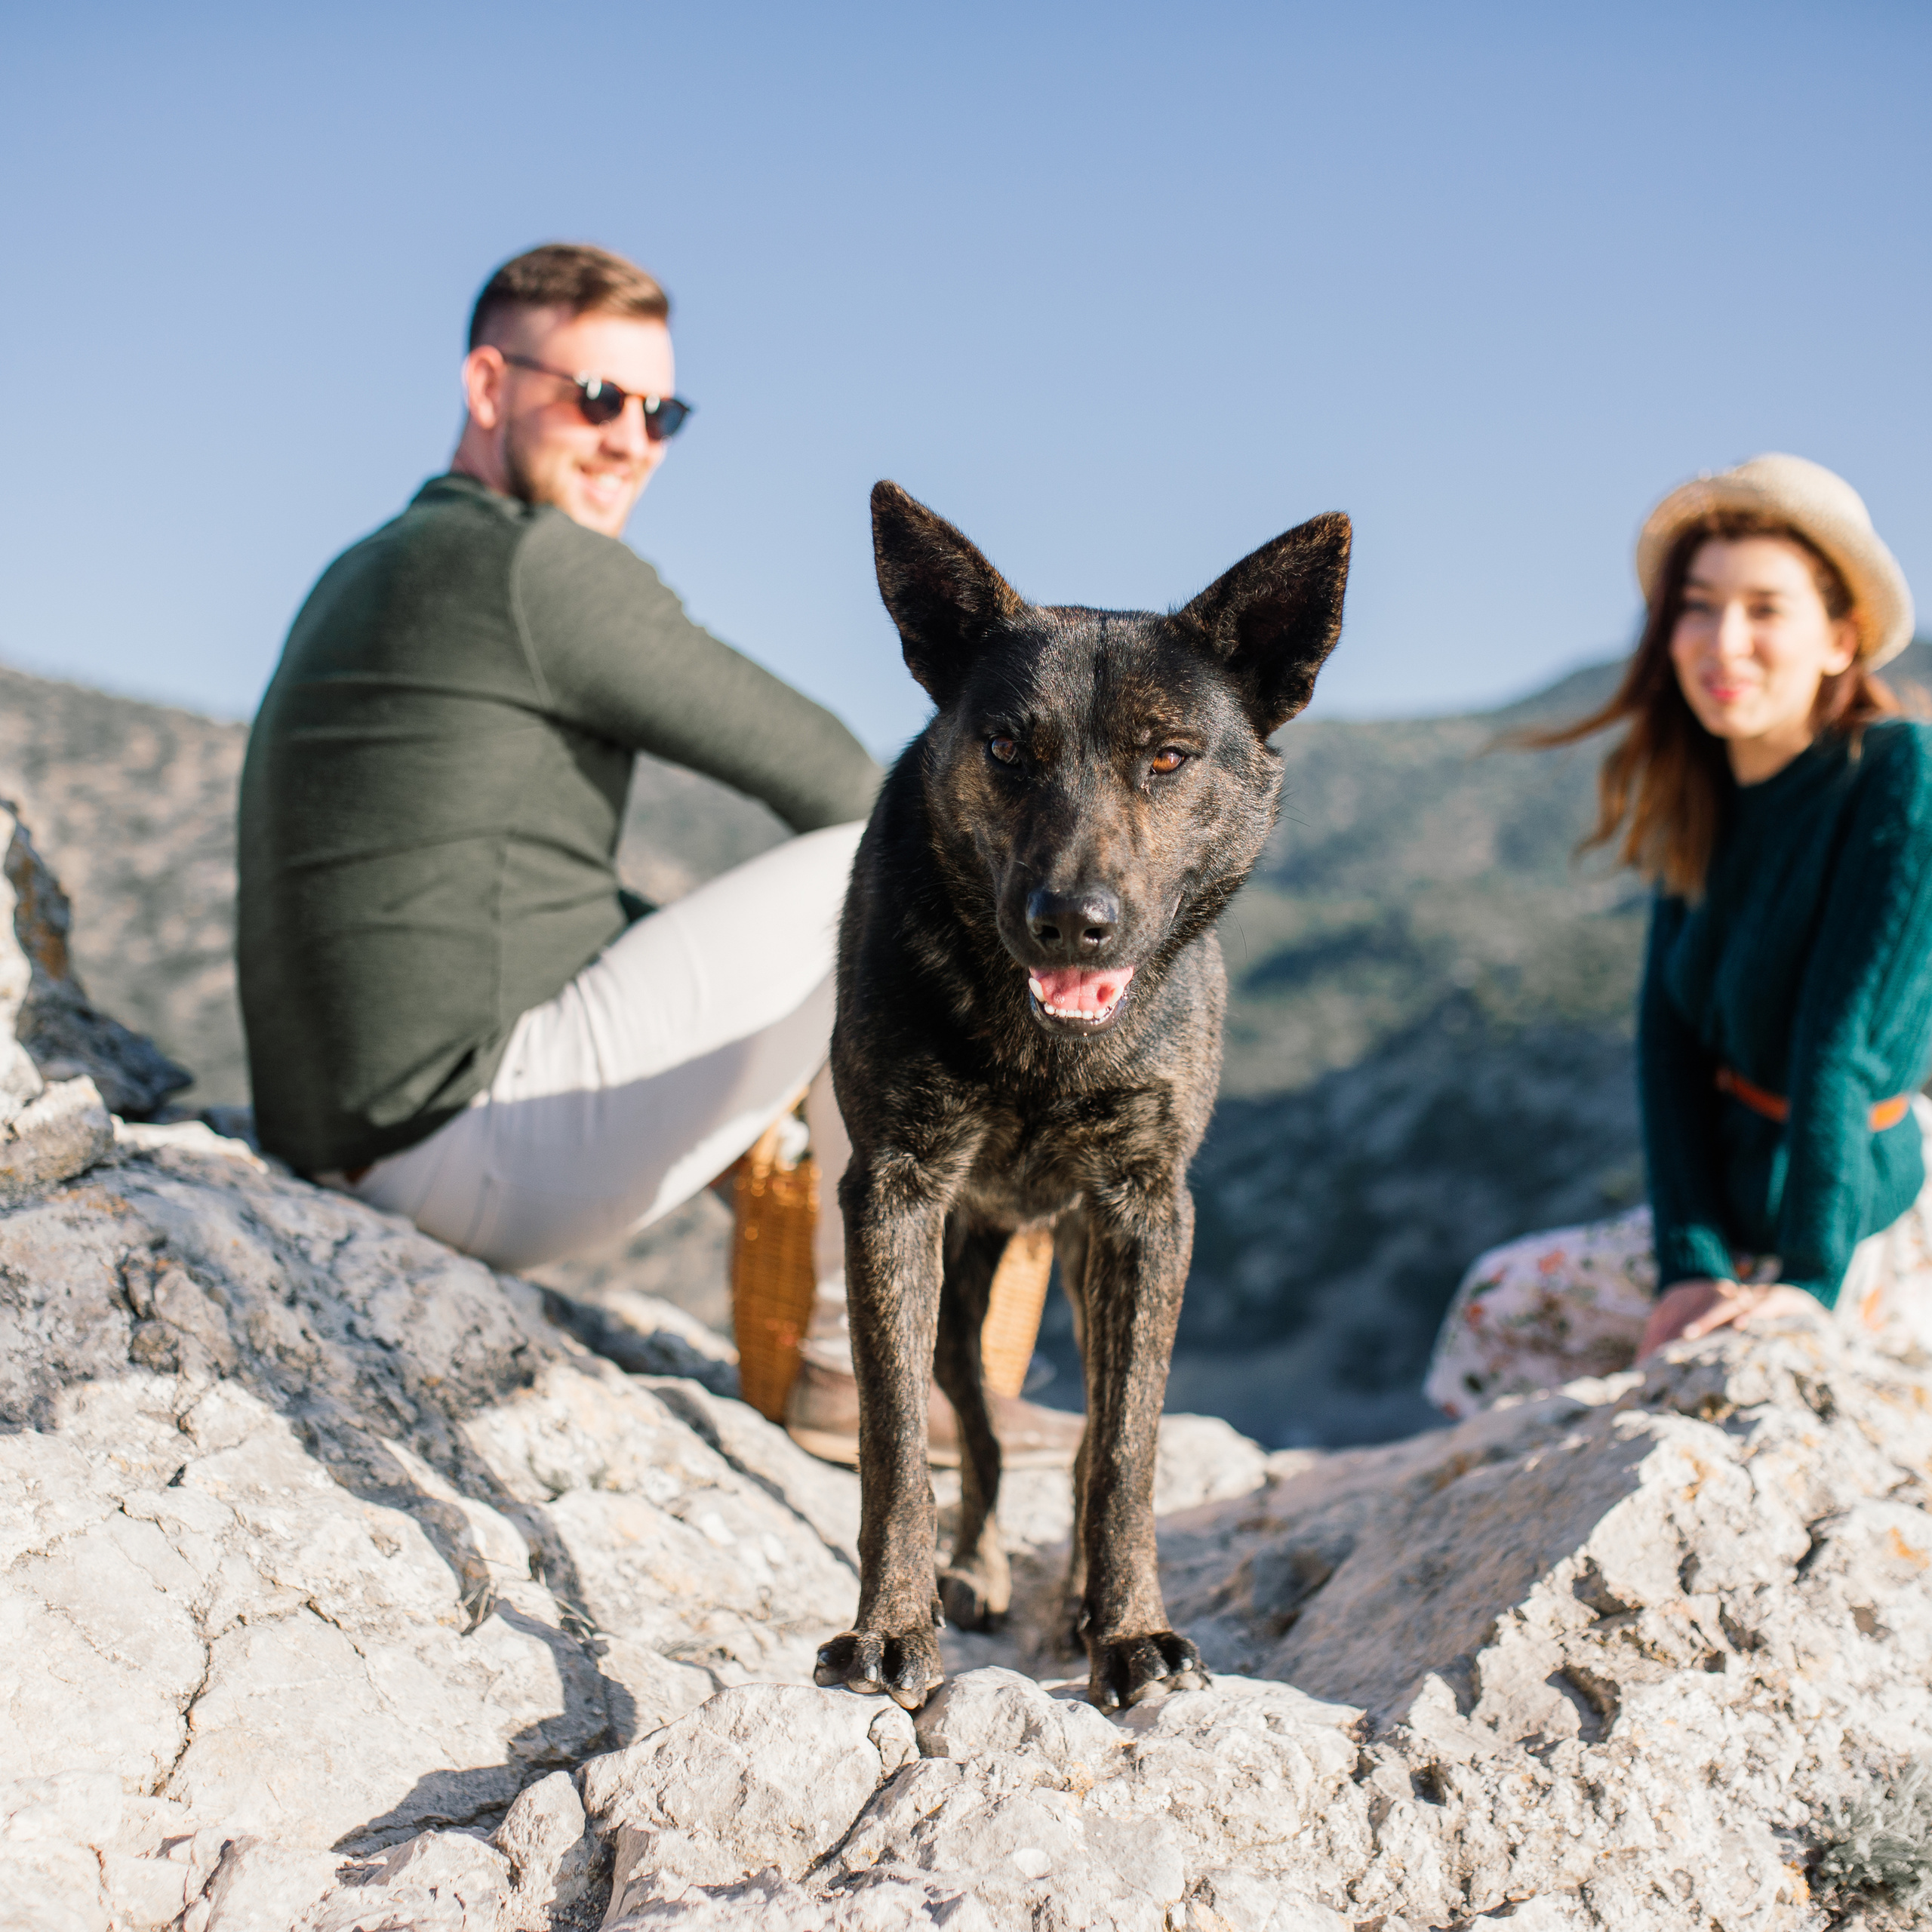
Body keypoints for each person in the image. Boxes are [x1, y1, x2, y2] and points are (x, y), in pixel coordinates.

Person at [237, 242, 1080, 1463]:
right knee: (909, 837)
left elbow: (498, 903)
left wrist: (786, 1053)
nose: (633, 438)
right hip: (462, 1144)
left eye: (661, 410)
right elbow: (848, 777)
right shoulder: (536, 567)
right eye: (596, 398)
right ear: (489, 387)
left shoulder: (383, 563)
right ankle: (863, 1373)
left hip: (358, 1146)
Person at [1426, 454, 1931, 1419]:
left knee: (1766, 1388)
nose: (1722, 640)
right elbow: (1668, 1058)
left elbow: (1840, 1052)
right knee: (1500, 1304)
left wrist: (1806, 1284)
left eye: (1764, 608)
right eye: (1697, 606)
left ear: (1840, 638)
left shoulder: (1895, 775)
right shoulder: (1697, 802)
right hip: (1734, 1195)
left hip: (1858, 1193)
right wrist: (1686, 1266)